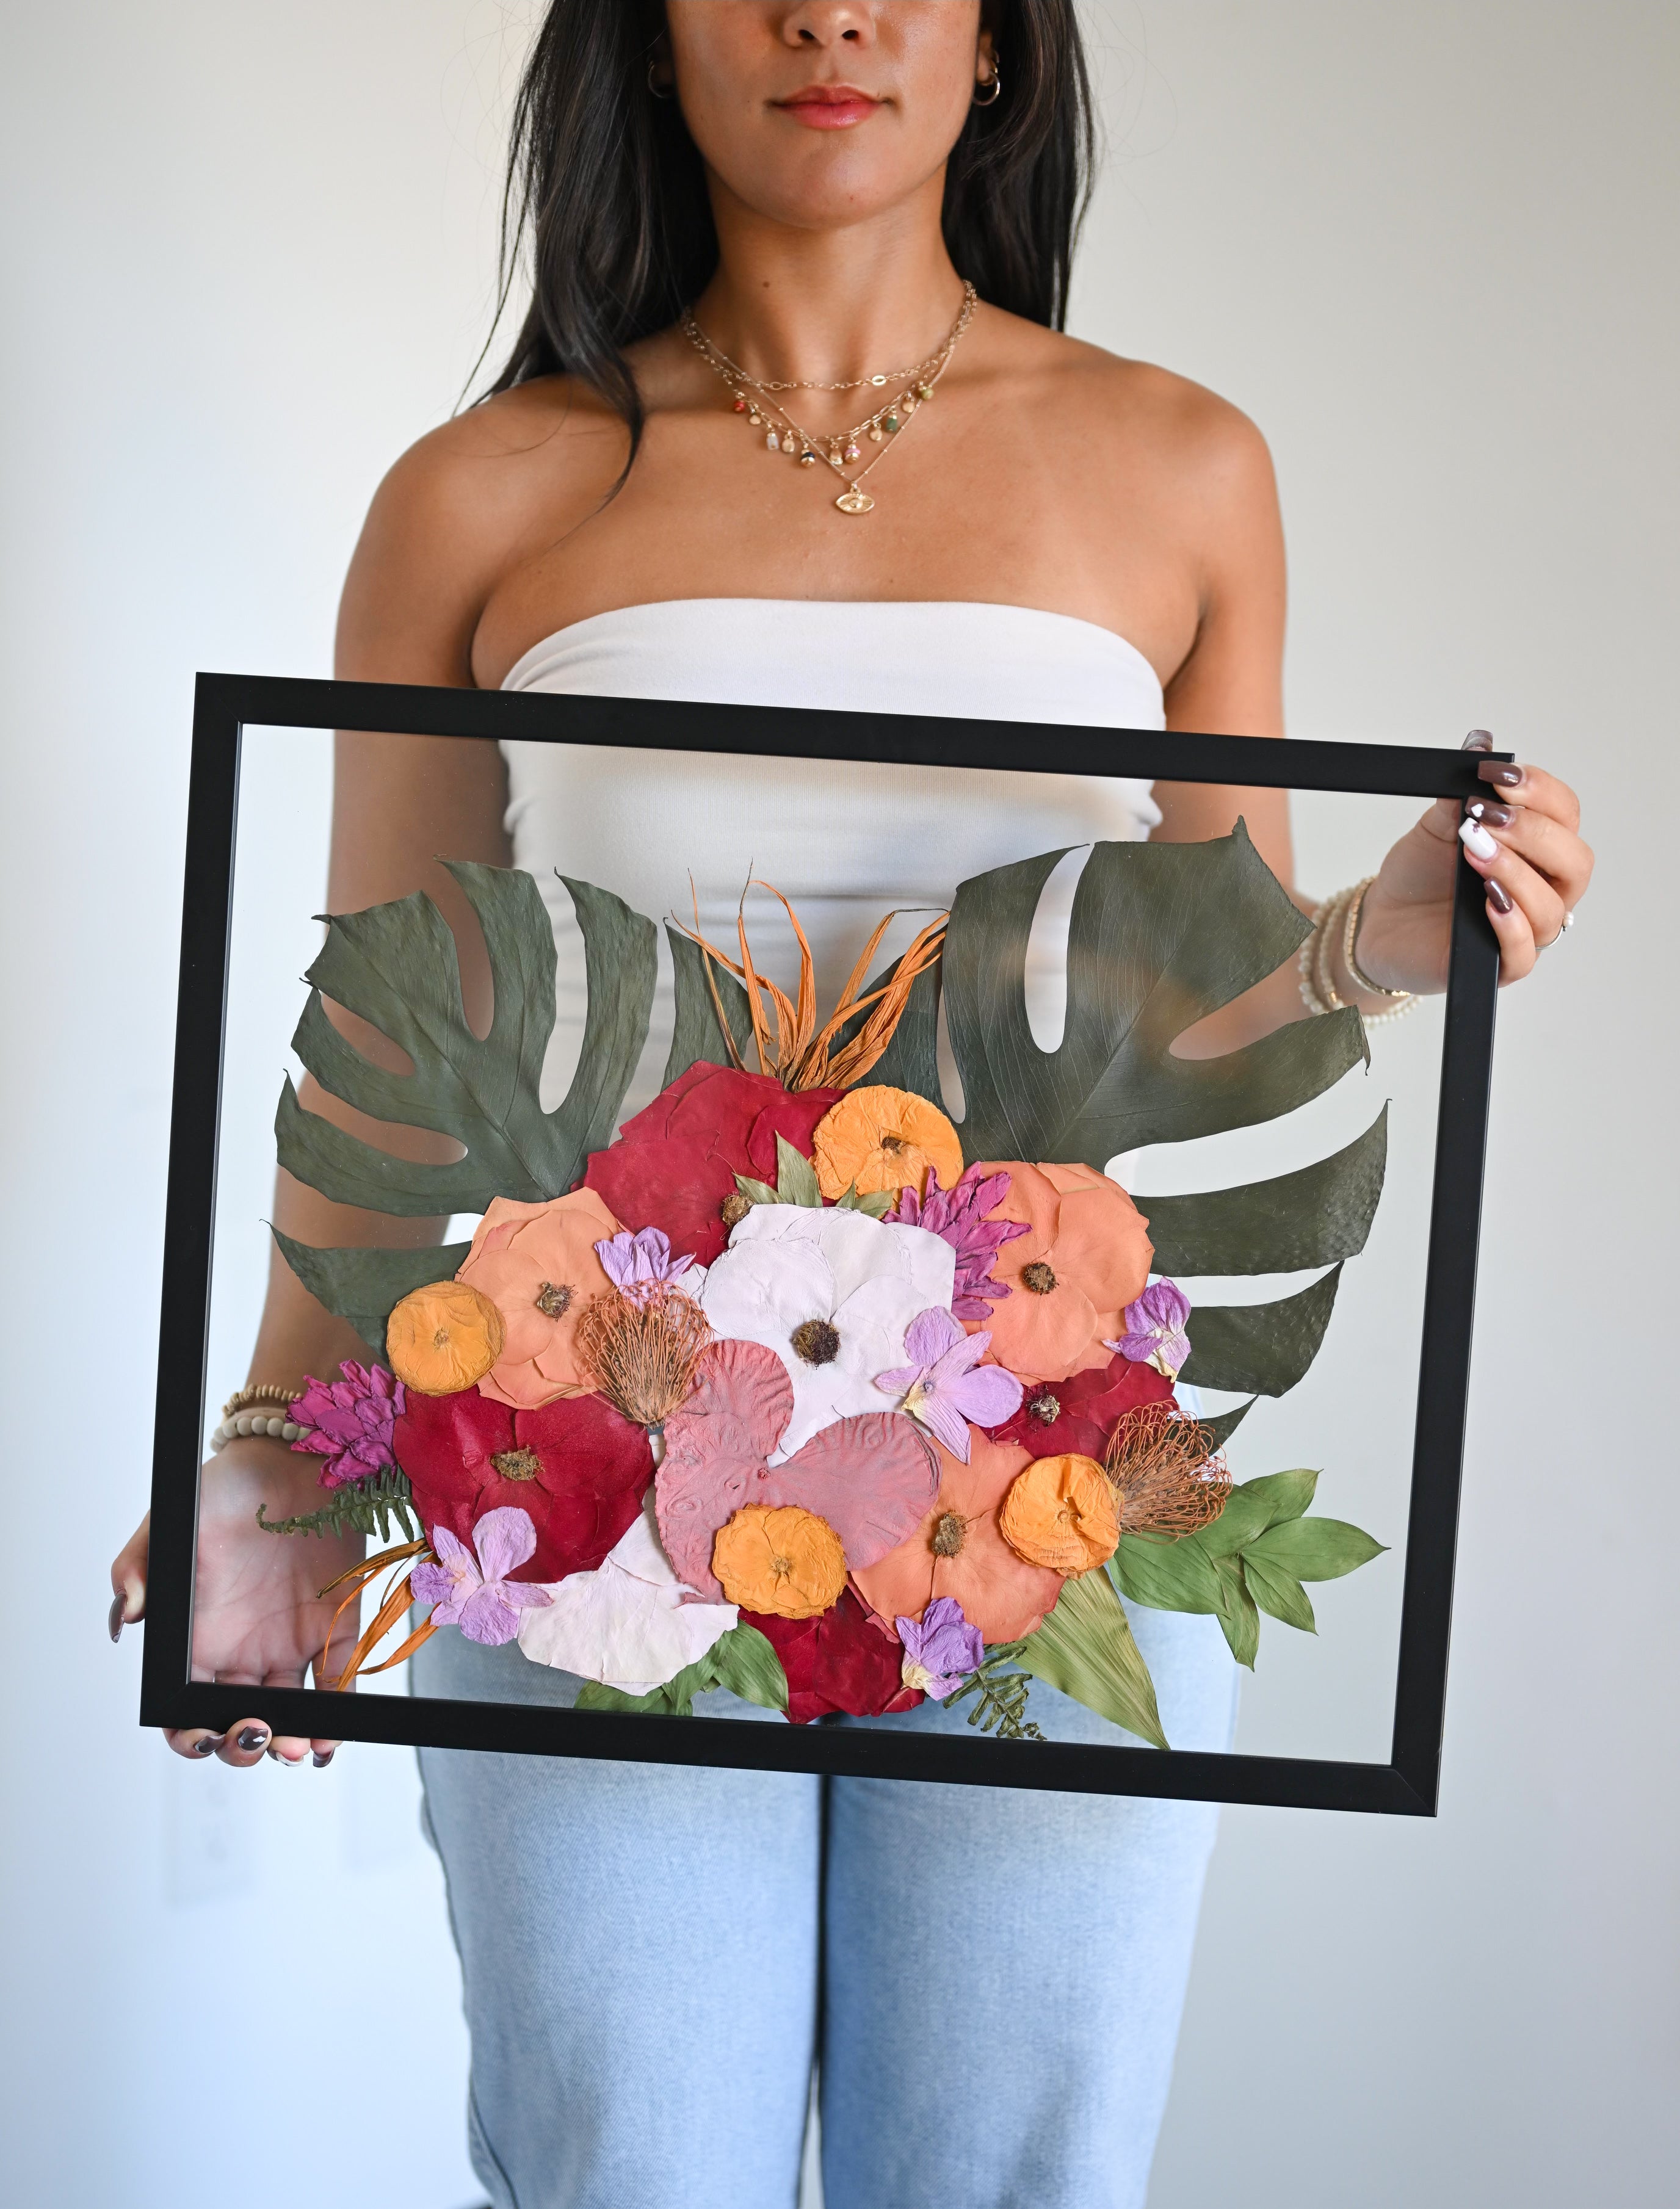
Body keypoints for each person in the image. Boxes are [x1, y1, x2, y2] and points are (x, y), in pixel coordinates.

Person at [110, 6, 1593, 2204]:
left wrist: (1380, 938)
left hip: (1048, 1501)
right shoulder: (480, 492)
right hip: (592, 1487)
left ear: (996, 44)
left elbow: (1201, 1015)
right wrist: (273, 1452)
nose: (832, 13)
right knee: (631, 2169)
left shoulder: (1183, 466)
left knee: (1016, 2180)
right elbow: (395, 1044)